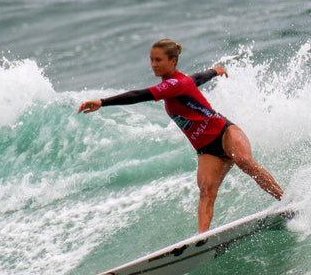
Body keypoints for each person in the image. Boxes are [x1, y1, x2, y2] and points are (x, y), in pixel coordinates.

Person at [78, 39, 283, 233]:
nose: (153, 64)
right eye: (151, 59)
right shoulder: (181, 81)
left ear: (172, 61)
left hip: (224, 133)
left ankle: (285, 200)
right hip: (206, 149)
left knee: (245, 161)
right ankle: (202, 239)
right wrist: (214, 71)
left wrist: (103, 102)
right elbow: (196, 79)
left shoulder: (173, 85)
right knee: (206, 191)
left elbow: (138, 95)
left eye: (158, 60)